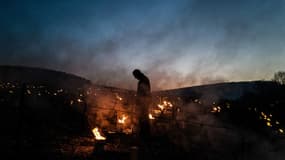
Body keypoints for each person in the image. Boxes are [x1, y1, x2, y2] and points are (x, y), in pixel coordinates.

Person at [132, 69, 152, 145]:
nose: (135, 78)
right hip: (143, 102)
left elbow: (144, 92)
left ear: (137, 74)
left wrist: (140, 101)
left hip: (144, 103)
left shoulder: (143, 80)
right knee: (143, 118)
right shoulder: (143, 79)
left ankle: (145, 136)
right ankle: (144, 135)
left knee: (144, 119)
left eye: (135, 76)